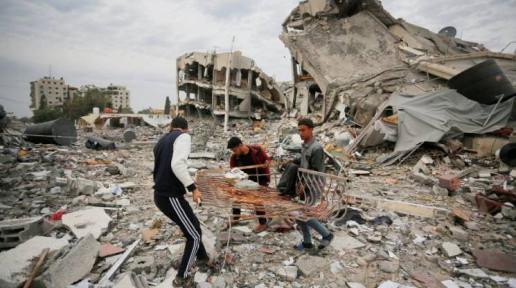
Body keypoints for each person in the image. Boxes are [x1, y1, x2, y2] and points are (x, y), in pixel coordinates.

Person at [153, 116, 210, 287]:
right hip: (170, 197)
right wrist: (193, 188)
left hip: (161, 195)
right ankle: (181, 278)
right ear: (185, 128)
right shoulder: (183, 137)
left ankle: (203, 258)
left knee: (194, 227)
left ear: (172, 126)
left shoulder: (162, 140)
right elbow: (177, 165)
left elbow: (160, 167)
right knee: (193, 235)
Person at [279, 118, 334, 250]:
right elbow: (303, 161)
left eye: (303, 130)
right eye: (299, 130)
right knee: (299, 213)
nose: (300, 133)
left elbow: (315, 171)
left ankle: (326, 235)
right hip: (303, 182)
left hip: (313, 185)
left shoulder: (317, 148)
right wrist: (291, 162)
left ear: (311, 130)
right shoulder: (305, 145)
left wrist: (304, 184)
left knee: (304, 214)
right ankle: (307, 242)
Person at [227, 136, 271, 233]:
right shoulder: (235, 157)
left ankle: (263, 223)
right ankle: (236, 217)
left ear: (240, 145)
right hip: (246, 180)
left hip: (260, 178)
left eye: (234, 149)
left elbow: (267, 160)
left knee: (256, 200)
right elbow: (233, 171)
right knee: (236, 195)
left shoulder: (257, 150)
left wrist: (267, 162)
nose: (234, 152)